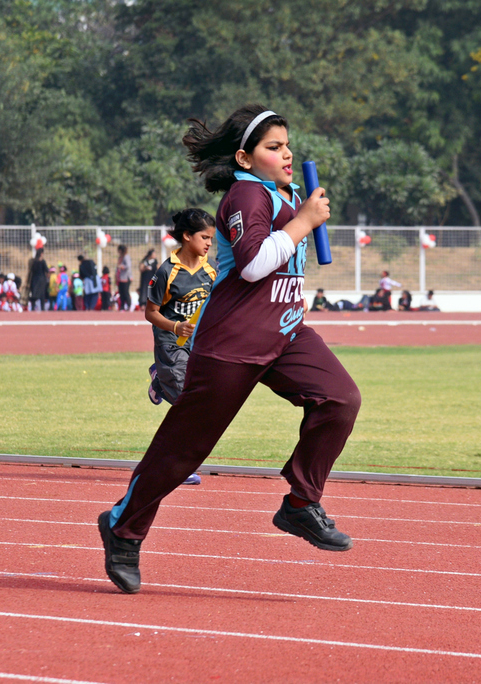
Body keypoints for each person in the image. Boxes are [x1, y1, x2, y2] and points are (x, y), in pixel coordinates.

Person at [98, 105, 359, 594]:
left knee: (341, 400)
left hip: (286, 332)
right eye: (273, 147)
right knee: (183, 451)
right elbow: (256, 263)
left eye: (287, 145)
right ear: (245, 156)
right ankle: (122, 527)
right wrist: (303, 223)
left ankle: (301, 504)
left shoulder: (288, 193)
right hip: (233, 339)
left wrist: (300, 216)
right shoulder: (244, 195)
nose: (286, 154)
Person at [146, 208, 218, 407]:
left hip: (199, 341)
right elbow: (150, 313)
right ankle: (163, 378)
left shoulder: (212, 269)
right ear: (187, 236)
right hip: (171, 341)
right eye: (204, 237)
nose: (209, 243)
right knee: (187, 400)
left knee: (208, 391)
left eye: (211, 238)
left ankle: (160, 381)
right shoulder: (166, 271)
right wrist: (175, 327)